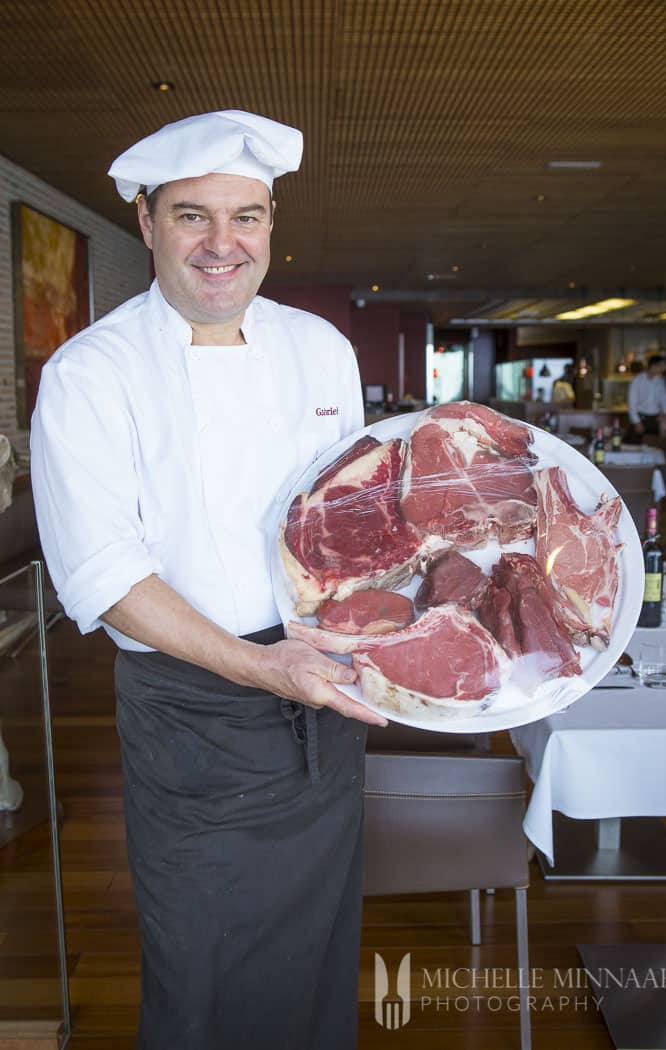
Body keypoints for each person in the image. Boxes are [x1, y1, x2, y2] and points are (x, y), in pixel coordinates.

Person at [30, 110, 386, 1050]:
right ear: (147, 222)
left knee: (315, 968)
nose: (224, 244)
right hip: (194, 715)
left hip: (322, 696)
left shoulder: (321, 350)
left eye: (248, 217)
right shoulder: (90, 373)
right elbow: (106, 575)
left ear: (272, 225)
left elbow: (346, 525)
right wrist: (258, 668)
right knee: (205, 971)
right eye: (194, 217)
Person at [626, 353, 666, 442]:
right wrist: (637, 422)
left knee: (653, 447)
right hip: (640, 418)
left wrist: (664, 413)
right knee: (637, 448)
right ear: (653, 366)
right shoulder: (637, 380)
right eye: (661, 366)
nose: (664, 369)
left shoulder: (660, 382)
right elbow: (632, 403)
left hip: (654, 420)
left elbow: (664, 400)